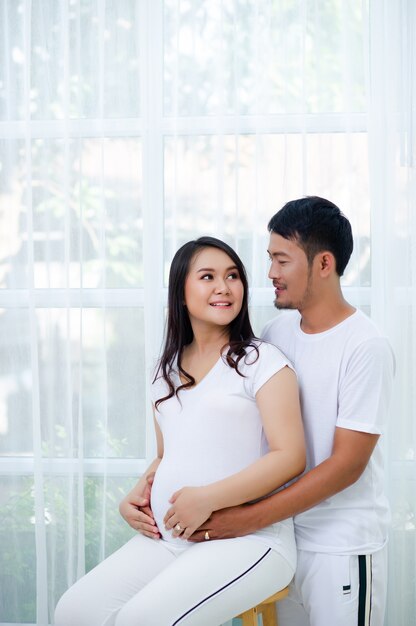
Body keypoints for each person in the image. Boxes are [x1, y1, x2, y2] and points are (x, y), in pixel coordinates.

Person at [136, 198, 395, 626]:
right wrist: (147, 487)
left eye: (281, 259)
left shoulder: (365, 346)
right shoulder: (276, 334)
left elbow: (348, 465)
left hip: (340, 545)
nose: (270, 273)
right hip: (280, 536)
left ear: (323, 263)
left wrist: (247, 518)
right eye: (269, 259)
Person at [54, 236, 305, 626]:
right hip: (172, 539)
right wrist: (135, 498)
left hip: (252, 540)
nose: (224, 287)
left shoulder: (262, 362)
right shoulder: (165, 371)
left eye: (233, 276)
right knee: (74, 612)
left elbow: (290, 457)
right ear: (181, 294)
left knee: (142, 620)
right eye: (208, 276)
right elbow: (167, 454)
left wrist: (207, 498)